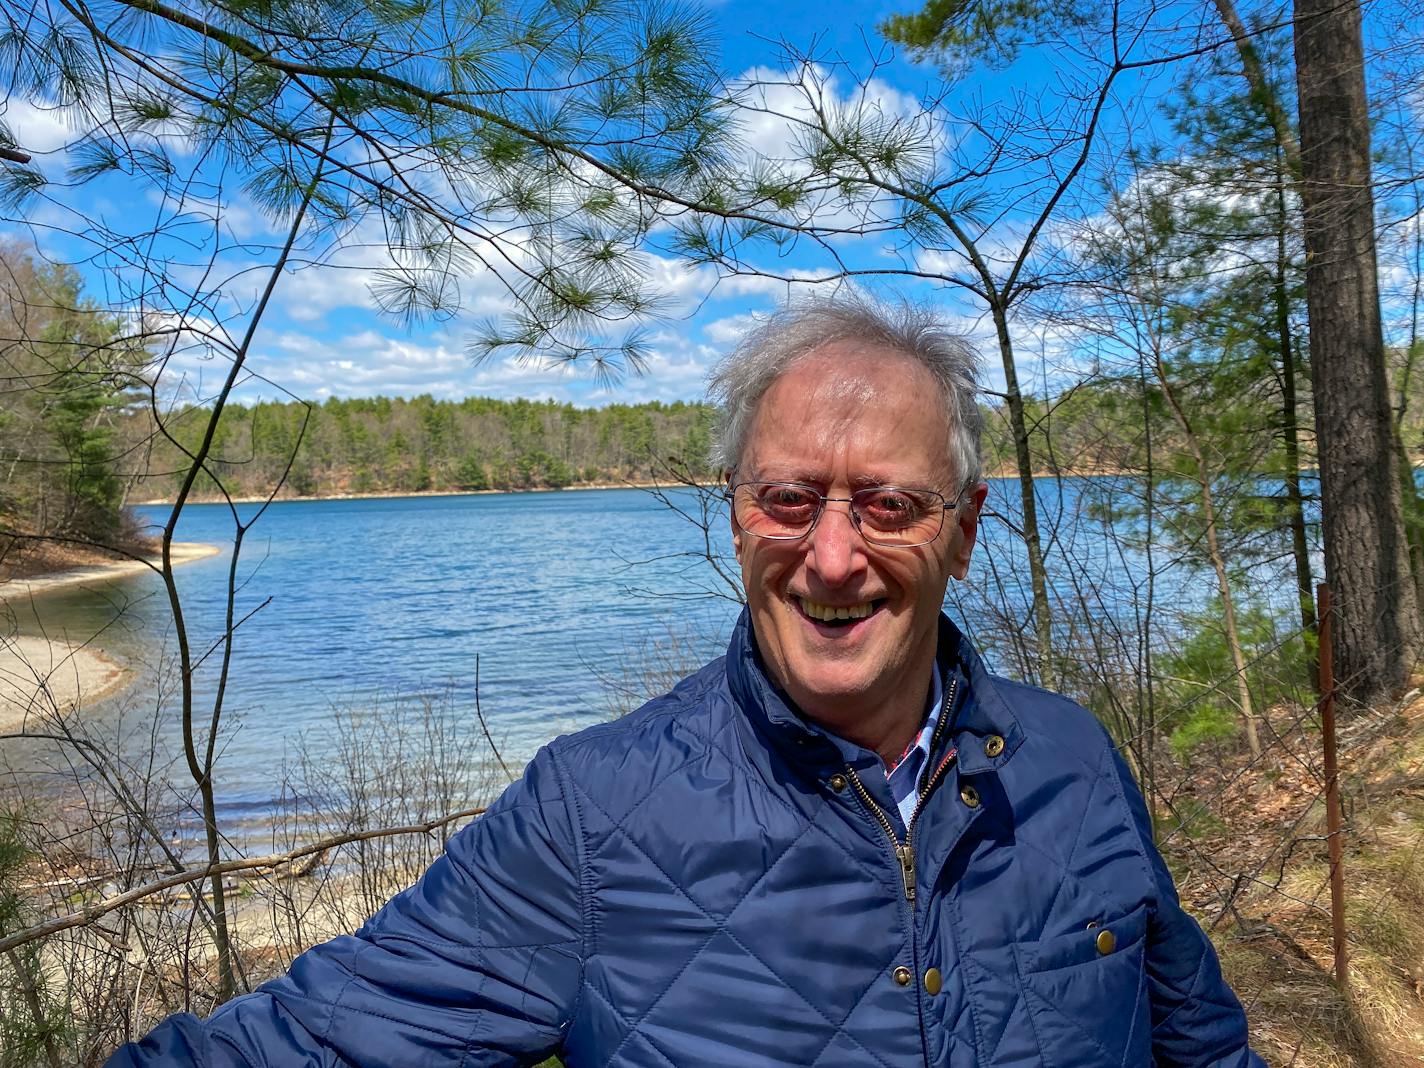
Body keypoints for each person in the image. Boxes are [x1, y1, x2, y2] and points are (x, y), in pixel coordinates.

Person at [110, 297, 1263, 1066]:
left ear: (963, 532)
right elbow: (315, 1040)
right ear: (732, 514)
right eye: (787, 498)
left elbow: (1197, 1040)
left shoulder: (1072, 759)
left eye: (889, 505)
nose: (830, 554)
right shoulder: (592, 813)